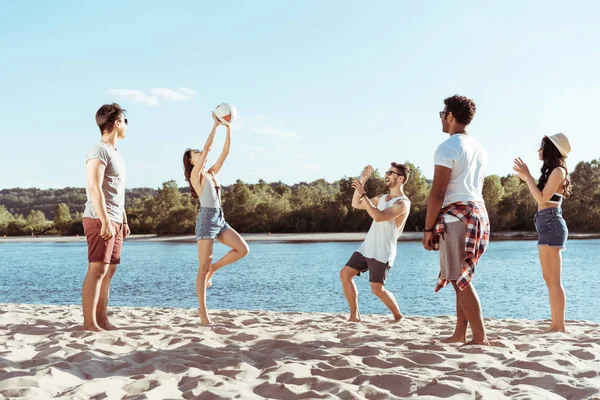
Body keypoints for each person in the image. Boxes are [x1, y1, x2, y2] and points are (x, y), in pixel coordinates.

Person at [422, 95, 490, 345]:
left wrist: (428, 228)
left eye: (442, 113)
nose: (441, 118)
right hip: (477, 214)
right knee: (460, 277)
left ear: (450, 116)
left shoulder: (448, 147)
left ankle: (480, 338)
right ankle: (460, 333)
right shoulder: (478, 148)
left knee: (460, 279)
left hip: (457, 217)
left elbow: (437, 193)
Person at [183, 112, 249, 324]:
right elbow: (209, 149)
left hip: (220, 219)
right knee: (202, 268)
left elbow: (225, 151)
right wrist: (215, 125)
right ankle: (203, 313)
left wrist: (228, 127)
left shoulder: (211, 173)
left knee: (243, 249)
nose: (200, 152)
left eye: (198, 151)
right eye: (196, 153)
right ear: (191, 161)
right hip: (206, 221)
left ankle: (214, 268)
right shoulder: (196, 176)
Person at [513, 133, 571, 333]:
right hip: (545, 223)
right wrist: (526, 177)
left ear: (550, 150)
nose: (538, 150)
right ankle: (555, 324)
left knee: (554, 280)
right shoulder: (552, 172)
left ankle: (559, 326)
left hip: (551, 222)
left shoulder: (558, 171)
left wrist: (527, 176)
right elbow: (541, 198)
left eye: (541, 147)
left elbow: (541, 198)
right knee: (549, 279)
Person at [340, 163, 411, 322]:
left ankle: (398, 316)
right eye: (387, 172)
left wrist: (363, 194)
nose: (386, 175)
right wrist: (362, 181)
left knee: (377, 289)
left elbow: (378, 216)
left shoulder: (402, 203)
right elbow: (356, 204)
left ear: (400, 178)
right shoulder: (382, 198)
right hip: (367, 247)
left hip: (382, 251)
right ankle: (354, 315)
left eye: (391, 173)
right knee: (345, 274)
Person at [81, 103, 130, 332]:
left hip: (115, 219)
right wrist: (106, 220)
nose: (127, 126)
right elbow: (94, 187)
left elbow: (116, 192)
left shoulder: (116, 153)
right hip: (100, 218)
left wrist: (123, 220)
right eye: (125, 121)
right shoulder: (98, 150)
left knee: (109, 271)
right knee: (97, 269)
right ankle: (90, 323)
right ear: (117, 123)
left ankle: (102, 319)